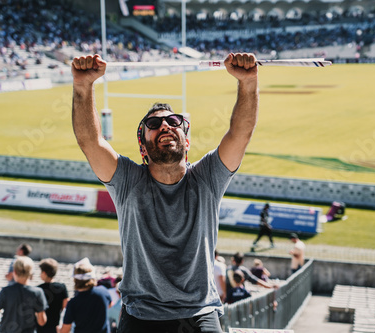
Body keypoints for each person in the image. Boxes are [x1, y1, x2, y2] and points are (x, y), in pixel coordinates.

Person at [71, 52, 259, 332]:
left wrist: (248, 83)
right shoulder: (128, 180)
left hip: (200, 311)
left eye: (173, 122)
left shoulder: (207, 177)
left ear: (187, 138)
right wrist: (83, 86)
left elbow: (240, 133)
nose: (165, 126)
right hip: (141, 315)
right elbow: (90, 141)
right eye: (154, 124)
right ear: (143, 147)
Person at [0, 256, 48, 332]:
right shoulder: (38, 292)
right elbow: (42, 322)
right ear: (31, 273)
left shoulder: (5, 291)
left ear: (15, 272)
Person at [58, 257, 112, 333]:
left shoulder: (73, 303)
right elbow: (109, 305)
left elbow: (65, 329)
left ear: (75, 280)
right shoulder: (103, 292)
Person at [37, 258, 69, 333]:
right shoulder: (62, 287)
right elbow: (65, 307)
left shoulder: (38, 289)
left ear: (44, 273)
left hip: (41, 328)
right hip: (55, 326)